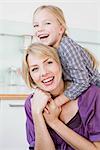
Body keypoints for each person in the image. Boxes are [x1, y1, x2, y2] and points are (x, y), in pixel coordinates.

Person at [22, 43, 100, 150]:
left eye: (49, 62)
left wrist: (54, 122)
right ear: (30, 76)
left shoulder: (91, 95)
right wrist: (36, 113)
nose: (44, 72)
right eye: (35, 69)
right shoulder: (32, 103)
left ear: (61, 64)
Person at [32, 5, 100, 107]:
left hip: (94, 95)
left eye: (47, 23)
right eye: (35, 25)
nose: (40, 29)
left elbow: (82, 82)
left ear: (61, 29)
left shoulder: (67, 47)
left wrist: (56, 103)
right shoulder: (52, 49)